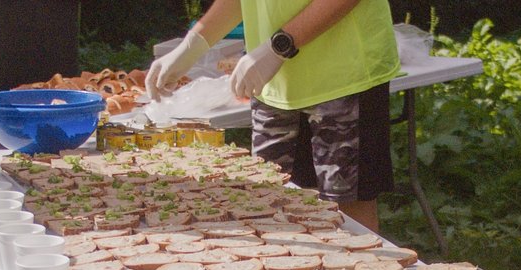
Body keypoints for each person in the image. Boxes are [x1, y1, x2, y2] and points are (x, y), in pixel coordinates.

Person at [145, 0, 398, 233]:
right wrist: (192, 46)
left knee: (350, 219)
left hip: (346, 78)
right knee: (269, 208)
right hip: (274, 85)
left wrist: (279, 46)